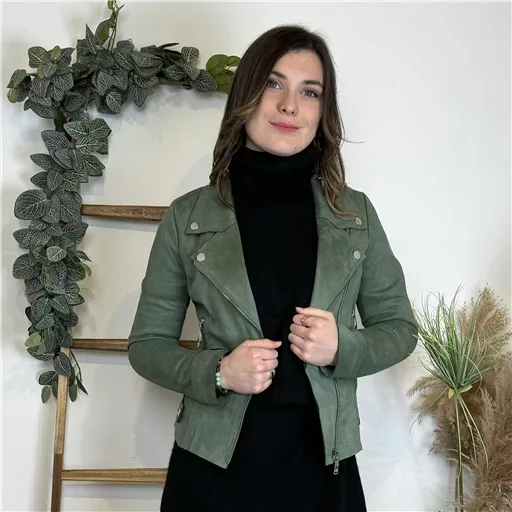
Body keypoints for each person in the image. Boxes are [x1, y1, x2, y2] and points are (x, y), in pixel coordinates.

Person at [127, 24, 418, 512]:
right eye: (273, 84)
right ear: (246, 95)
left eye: (310, 92)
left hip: (323, 474)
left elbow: (400, 329)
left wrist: (342, 347)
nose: (289, 106)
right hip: (211, 475)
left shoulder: (356, 216)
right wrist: (219, 372)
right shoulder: (187, 216)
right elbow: (146, 346)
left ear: (322, 111)